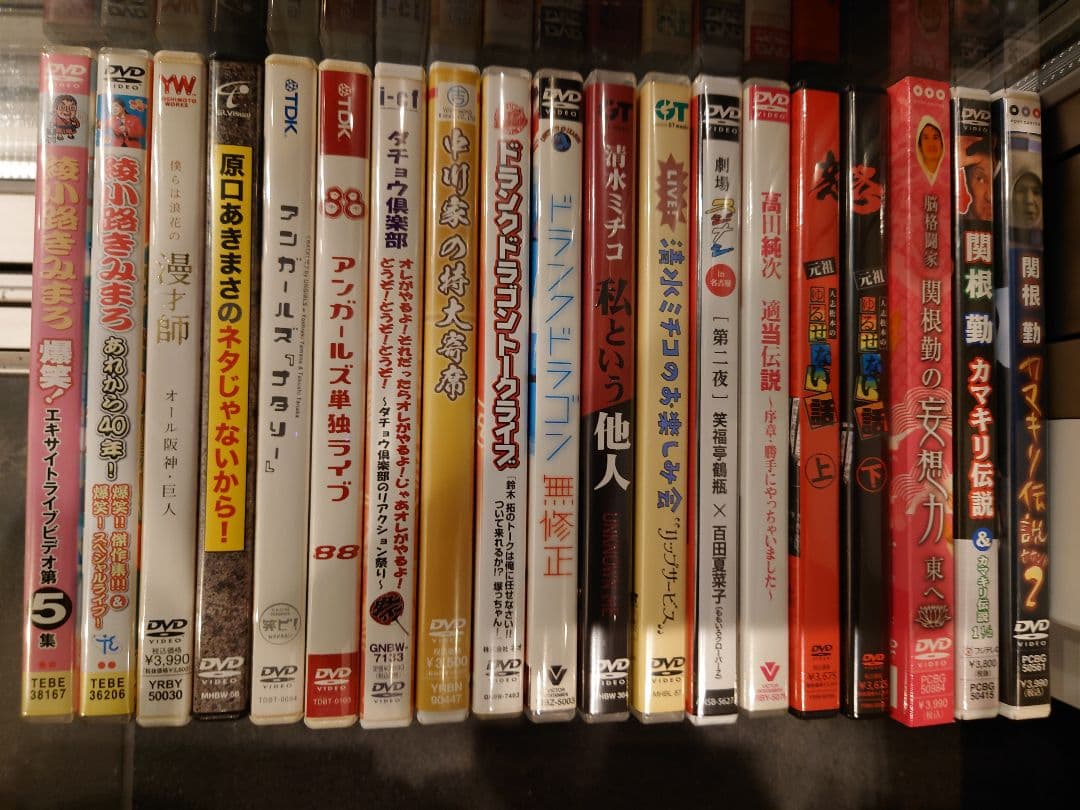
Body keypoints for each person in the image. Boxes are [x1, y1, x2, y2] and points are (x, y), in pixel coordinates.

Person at [958, 134, 993, 221]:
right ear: (967, 181)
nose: (989, 197)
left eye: (997, 181)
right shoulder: (952, 222)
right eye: (980, 179)